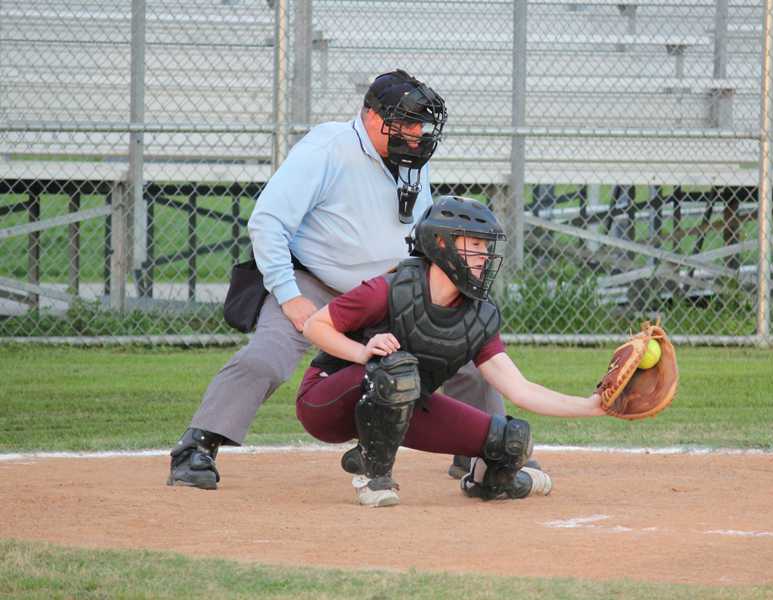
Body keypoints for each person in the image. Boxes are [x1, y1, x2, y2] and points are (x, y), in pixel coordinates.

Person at [166, 69, 494, 489]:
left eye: (422, 124)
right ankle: (197, 446)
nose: (418, 133)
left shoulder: (412, 159)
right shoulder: (328, 148)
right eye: (408, 122)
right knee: (268, 356)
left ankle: (490, 451)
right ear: (375, 119)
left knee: (465, 355)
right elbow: (266, 223)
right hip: (312, 282)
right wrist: (288, 295)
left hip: (387, 289)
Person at [296, 196, 607, 507]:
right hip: (326, 402)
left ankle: (489, 482)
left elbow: (520, 390)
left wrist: (593, 406)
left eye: (487, 246)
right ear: (441, 244)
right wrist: (362, 351)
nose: (485, 255)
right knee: (394, 371)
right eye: (475, 244)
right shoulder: (390, 290)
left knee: (511, 439)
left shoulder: (478, 316)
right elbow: (314, 325)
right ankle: (374, 478)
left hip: (402, 402)